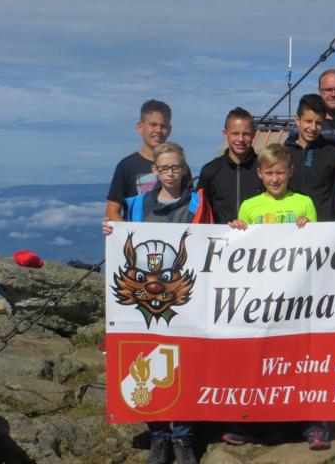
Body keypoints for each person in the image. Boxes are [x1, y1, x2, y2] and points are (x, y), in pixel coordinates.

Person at [102, 142, 202, 464]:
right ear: (155, 171)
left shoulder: (199, 202)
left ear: (184, 169)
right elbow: (122, 237)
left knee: (188, 365)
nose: (171, 173)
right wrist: (111, 230)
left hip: (185, 299)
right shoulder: (136, 204)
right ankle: (160, 435)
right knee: (147, 362)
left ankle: (183, 436)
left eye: (176, 167)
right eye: (165, 168)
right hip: (144, 303)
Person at [228, 143, 327, 450]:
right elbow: (239, 253)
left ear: (290, 172)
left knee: (303, 362)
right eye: (269, 173)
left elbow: (317, 245)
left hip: (298, 298)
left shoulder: (304, 202)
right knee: (260, 361)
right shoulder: (249, 206)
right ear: (259, 173)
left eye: (280, 173)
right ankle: (249, 422)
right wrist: (237, 229)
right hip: (261, 299)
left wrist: (308, 228)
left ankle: (315, 424)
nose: (275, 178)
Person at [106, 99, 192, 221]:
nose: (158, 130)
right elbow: (112, 212)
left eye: (163, 126)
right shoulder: (126, 166)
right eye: (153, 125)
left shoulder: (179, 166)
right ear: (140, 127)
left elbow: (189, 204)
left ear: (169, 130)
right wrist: (130, 232)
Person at [197, 107, 262, 224]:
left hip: (258, 234)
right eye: (235, 133)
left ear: (254, 134)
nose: (241, 139)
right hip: (221, 235)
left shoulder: (265, 169)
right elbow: (197, 210)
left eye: (246, 134)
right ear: (225, 134)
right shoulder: (209, 170)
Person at [285, 94, 335, 221]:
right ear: (297, 120)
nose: (313, 128)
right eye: (308, 121)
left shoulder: (332, 152)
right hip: (291, 226)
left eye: (319, 123)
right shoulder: (284, 153)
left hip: (323, 226)